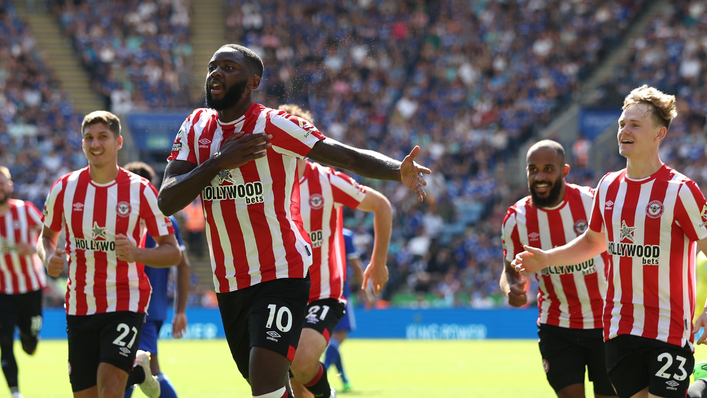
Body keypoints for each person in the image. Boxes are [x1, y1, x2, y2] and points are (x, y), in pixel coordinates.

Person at [157, 44, 430, 398]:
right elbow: (167, 198)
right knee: (270, 385)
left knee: (266, 382)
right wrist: (218, 163)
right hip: (229, 282)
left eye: (228, 67)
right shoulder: (195, 126)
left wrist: (397, 171)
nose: (216, 73)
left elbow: (340, 153)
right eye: (213, 67)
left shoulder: (272, 124)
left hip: (281, 272)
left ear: (253, 81)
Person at [513, 85, 707, 398]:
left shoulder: (680, 191)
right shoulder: (608, 186)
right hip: (619, 328)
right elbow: (593, 242)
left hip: (668, 329)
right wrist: (547, 258)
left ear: (659, 134)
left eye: (635, 125)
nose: (624, 131)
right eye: (621, 124)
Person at [37, 111, 182, 398]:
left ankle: (132, 370)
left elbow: (173, 252)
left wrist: (139, 253)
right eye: (89, 138)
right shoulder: (64, 188)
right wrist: (48, 257)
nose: (95, 144)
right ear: (82, 144)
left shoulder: (141, 191)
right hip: (80, 304)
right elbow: (46, 238)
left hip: (125, 300)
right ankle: (138, 370)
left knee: (111, 389)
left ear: (118, 142)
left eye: (103, 136)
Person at [278, 104, 392, 398]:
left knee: (302, 362)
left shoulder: (326, 180)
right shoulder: (266, 183)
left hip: (322, 294)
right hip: (279, 292)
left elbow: (380, 205)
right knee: (291, 383)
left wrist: (378, 262)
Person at [499, 140, 616, 398]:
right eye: (533, 169)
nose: (540, 176)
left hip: (607, 323)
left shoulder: (593, 203)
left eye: (548, 169)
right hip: (557, 324)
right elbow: (509, 269)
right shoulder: (516, 218)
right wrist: (511, 288)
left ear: (564, 171)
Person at [122, 162, 191, 398]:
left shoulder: (131, 220)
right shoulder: (166, 220)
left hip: (140, 307)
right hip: (153, 309)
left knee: (129, 370)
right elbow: (184, 266)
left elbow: (182, 265)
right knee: (141, 368)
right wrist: (179, 311)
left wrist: (180, 311)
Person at [0, 166, 46, 398]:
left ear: (10, 186)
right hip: (3, 291)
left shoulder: (25, 210)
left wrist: (34, 248)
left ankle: (30, 337)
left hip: (31, 288)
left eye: (2, 182)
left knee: (30, 346)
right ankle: (15, 393)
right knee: (4, 341)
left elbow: (49, 234)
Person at [323, 228, 370, 393]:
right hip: (339, 291)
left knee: (331, 339)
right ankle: (321, 374)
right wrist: (366, 291)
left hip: (316, 291)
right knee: (339, 336)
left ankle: (344, 380)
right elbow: (356, 265)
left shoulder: (311, 227)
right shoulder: (345, 235)